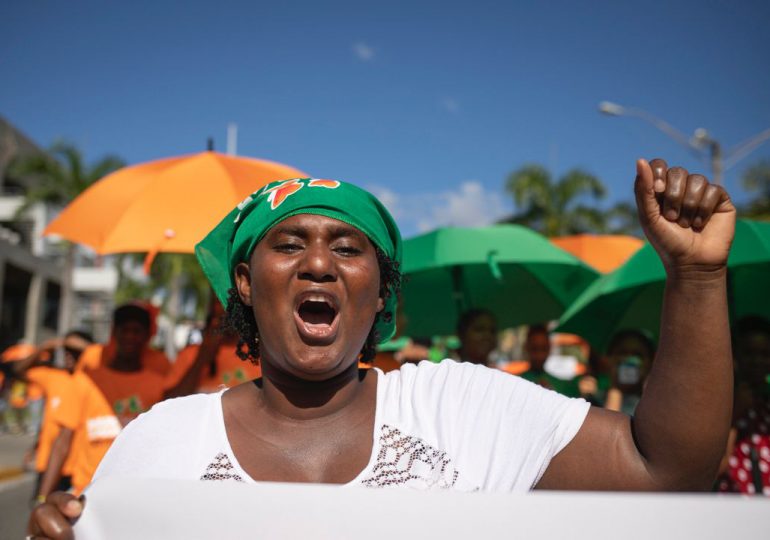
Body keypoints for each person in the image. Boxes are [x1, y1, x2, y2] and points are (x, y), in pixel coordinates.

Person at [31, 160, 737, 537]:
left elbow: (664, 469)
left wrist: (698, 277)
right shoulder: (159, 446)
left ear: (379, 292)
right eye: (288, 245)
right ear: (245, 284)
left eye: (347, 248)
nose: (318, 265)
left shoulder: (461, 410)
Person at [82, 304, 167, 426]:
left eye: (136, 331)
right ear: (115, 332)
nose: (129, 336)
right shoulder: (90, 378)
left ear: (147, 336)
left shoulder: (158, 385)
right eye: (125, 330)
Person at [717, 315, 770, 494]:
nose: (757, 361)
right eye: (748, 353)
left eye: (765, 354)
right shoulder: (722, 401)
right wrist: (733, 413)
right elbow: (718, 465)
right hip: (735, 500)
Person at [164, 300, 262, 396]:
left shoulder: (257, 354)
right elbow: (169, 403)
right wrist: (199, 361)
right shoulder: (189, 354)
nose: (216, 323)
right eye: (214, 317)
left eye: (224, 317)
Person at [602, 330, 656, 415]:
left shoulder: (658, 405)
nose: (628, 360)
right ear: (608, 359)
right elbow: (605, 426)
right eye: (622, 353)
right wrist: (616, 388)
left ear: (650, 363)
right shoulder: (590, 401)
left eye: (637, 355)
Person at [520, 324, 580, 397]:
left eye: (543, 348)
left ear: (549, 348)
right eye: (534, 349)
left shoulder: (565, 386)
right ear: (526, 347)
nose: (539, 355)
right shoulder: (515, 383)